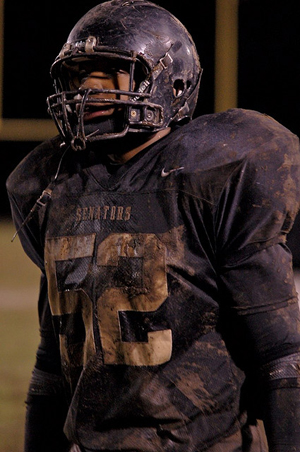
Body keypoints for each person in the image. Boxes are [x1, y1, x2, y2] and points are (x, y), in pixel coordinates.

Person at [6, 1, 300, 451]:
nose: (89, 87)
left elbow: (281, 357)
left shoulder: (210, 176)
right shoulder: (57, 185)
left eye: (110, 71)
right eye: (81, 73)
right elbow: (55, 360)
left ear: (171, 82)